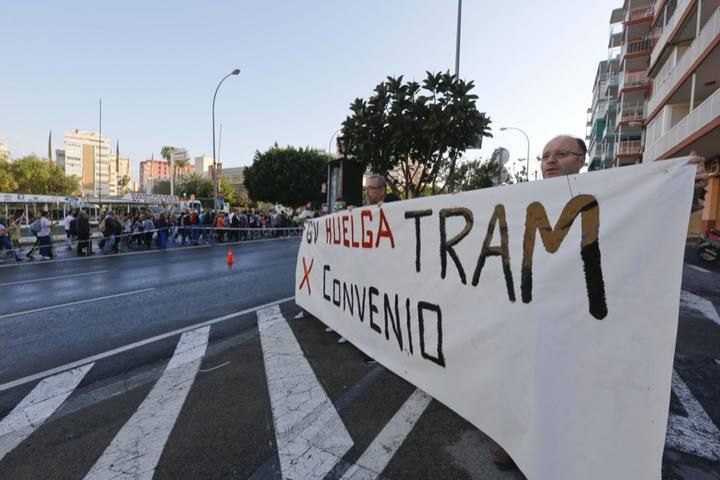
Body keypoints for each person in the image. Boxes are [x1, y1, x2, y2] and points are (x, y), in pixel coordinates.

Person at [492, 134, 709, 471]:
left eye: (561, 154)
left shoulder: (611, 191)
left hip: (584, 317)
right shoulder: (524, 200)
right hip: (536, 314)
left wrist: (685, 186)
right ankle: (518, 444)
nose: (550, 161)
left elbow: (653, 208)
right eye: (545, 155)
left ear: (582, 159)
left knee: (577, 390)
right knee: (529, 379)